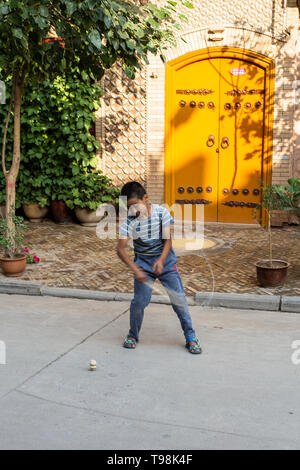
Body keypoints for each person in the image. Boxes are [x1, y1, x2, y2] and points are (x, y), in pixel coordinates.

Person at [117, 181, 202, 354]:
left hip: (166, 263)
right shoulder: (130, 221)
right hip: (143, 265)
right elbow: (120, 249)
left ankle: (191, 337)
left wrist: (161, 261)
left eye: (134, 205)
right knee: (140, 302)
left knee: (179, 300)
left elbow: (167, 241)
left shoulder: (161, 213)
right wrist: (136, 270)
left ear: (146, 198)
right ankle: (133, 335)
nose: (133, 211)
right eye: (129, 208)